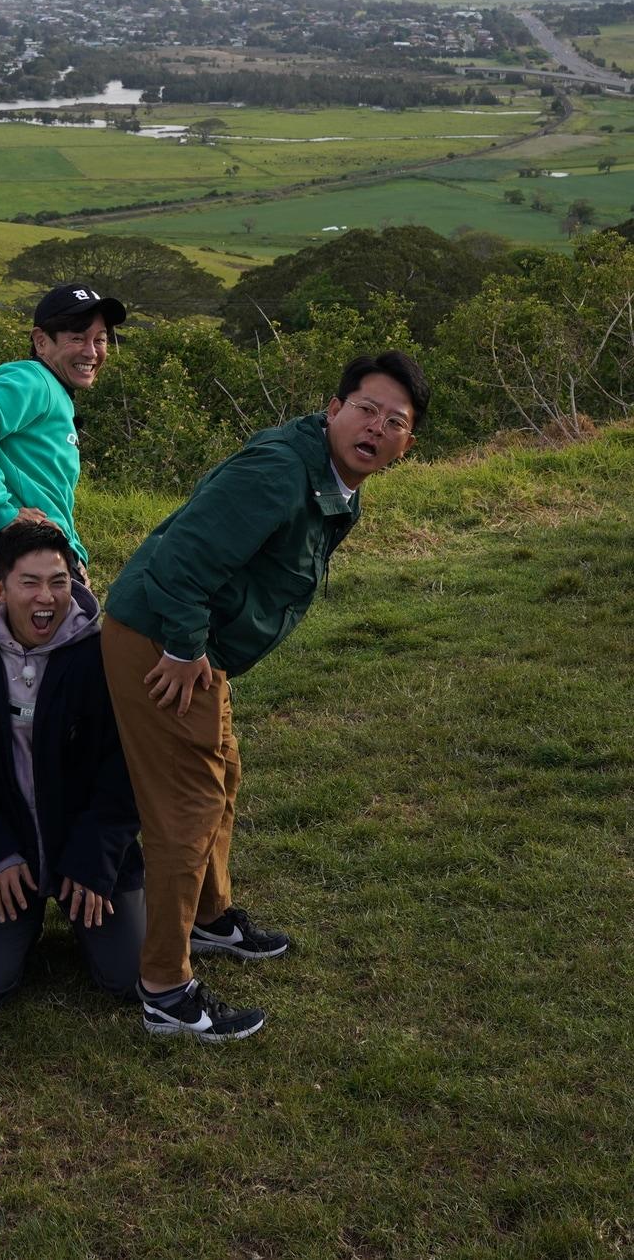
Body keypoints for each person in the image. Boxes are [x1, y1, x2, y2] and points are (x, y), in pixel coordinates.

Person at [101, 350, 429, 1044]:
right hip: (164, 640)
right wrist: (184, 648)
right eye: (366, 409)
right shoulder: (281, 471)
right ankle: (165, 989)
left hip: (199, 644)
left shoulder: (333, 479)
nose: (376, 427)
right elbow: (181, 559)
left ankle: (210, 919)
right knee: (187, 807)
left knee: (223, 775)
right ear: (334, 409)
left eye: (394, 422)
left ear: (408, 443)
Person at [0, 522, 144, 1006]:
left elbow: (126, 766)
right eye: (30, 582)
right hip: (9, 854)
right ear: (0, 590)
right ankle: (21, 914)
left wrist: (96, 857)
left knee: (132, 977)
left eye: (59, 581)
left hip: (87, 850)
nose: (46, 596)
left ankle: (89, 901)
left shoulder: (103, 654)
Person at [0, 282, 127, 624]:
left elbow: (48, 492)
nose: (91, 351)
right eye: (77, 337)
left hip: (30, 557)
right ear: (41, 341)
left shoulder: (55, 392)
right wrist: (2, 511)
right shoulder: (34, 379)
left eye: (100, 340)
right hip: (14, 557)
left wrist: (73, 553)